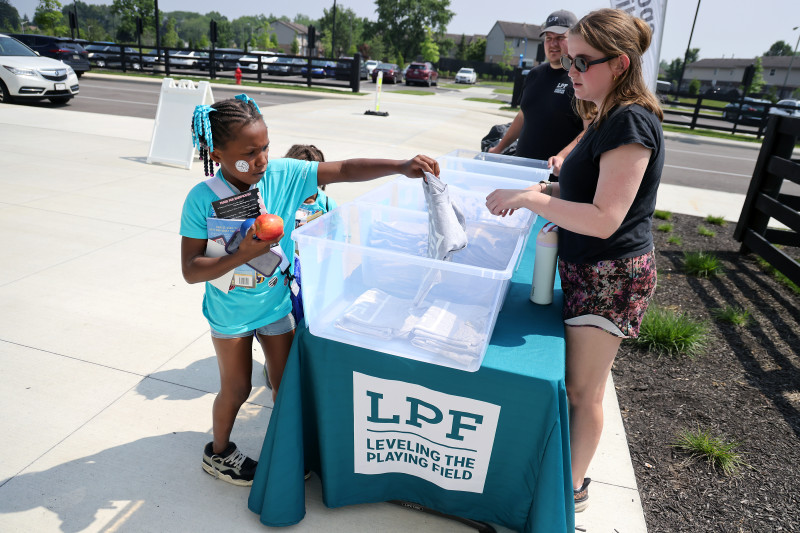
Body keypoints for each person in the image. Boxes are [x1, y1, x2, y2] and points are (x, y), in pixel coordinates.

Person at [180, 94, 439, 487]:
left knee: (287, 385)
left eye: (265, 147)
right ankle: (218, 453)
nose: (262, 160)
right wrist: (243, 253)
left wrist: (400, 166)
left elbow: (345, 169)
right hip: (230, 314)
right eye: (250, 153)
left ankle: (287, 449)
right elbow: (190, 270)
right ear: (217, 153)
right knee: (237, 387)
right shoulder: (201, 199)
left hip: (275, 306)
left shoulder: (281, 174)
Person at [485, 8, 664, 512]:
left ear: (621, 63)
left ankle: (571, 490)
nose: (571, 70)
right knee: (575, 386)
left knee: (584, 393)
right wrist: (541, 191)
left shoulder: (631, 121)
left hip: (612, 275)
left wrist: (533, 200)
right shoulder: (607, 113)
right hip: (589, 267)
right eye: (569, 59)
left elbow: (605, 218)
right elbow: (585, 191)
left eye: (583, 61)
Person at [488, 9, 585, 178]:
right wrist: (499, 148)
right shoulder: (534, 74)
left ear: (575, 38)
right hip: (521, 171)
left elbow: (591, 129)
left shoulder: (580, 78)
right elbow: (523, 115)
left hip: (555, 179)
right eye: (548, 38)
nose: (553, 44)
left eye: (560, 38)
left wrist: (562, 156)